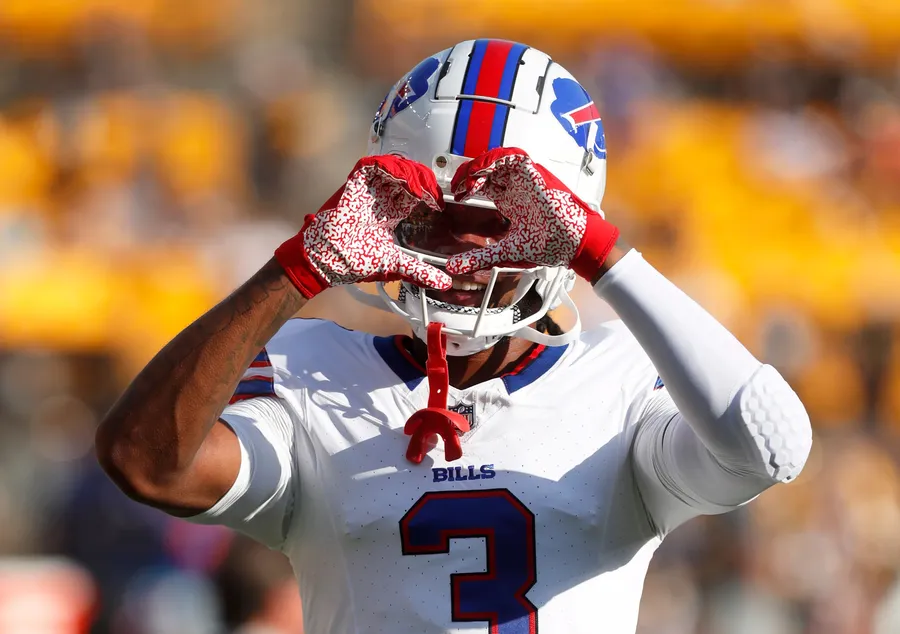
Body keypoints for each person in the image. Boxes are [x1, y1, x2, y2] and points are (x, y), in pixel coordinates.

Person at [95, 38, 813, 634]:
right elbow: (145, 462)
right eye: (433, 217)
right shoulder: (314, 372)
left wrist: (602, 254)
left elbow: (772, 446)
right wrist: (299, 265)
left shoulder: (618, 379)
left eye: (499, 223)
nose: (464, 256)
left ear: (566, 226)